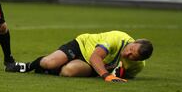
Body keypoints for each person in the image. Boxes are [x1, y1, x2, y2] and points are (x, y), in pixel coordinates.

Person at [12, 31, 153, 82]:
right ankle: (27, 66)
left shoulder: (138, 66)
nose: (128, 54)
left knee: (68, 72)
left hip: (91, 66)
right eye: (131, 49)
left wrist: (119, 75)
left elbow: (126, 75)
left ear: (139, 60)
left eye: (132, 56)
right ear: (134, 42)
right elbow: (95, 57)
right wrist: (106, 75)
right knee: (50, 62)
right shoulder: (118, 38)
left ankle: (47, 70)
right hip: (82, 46)